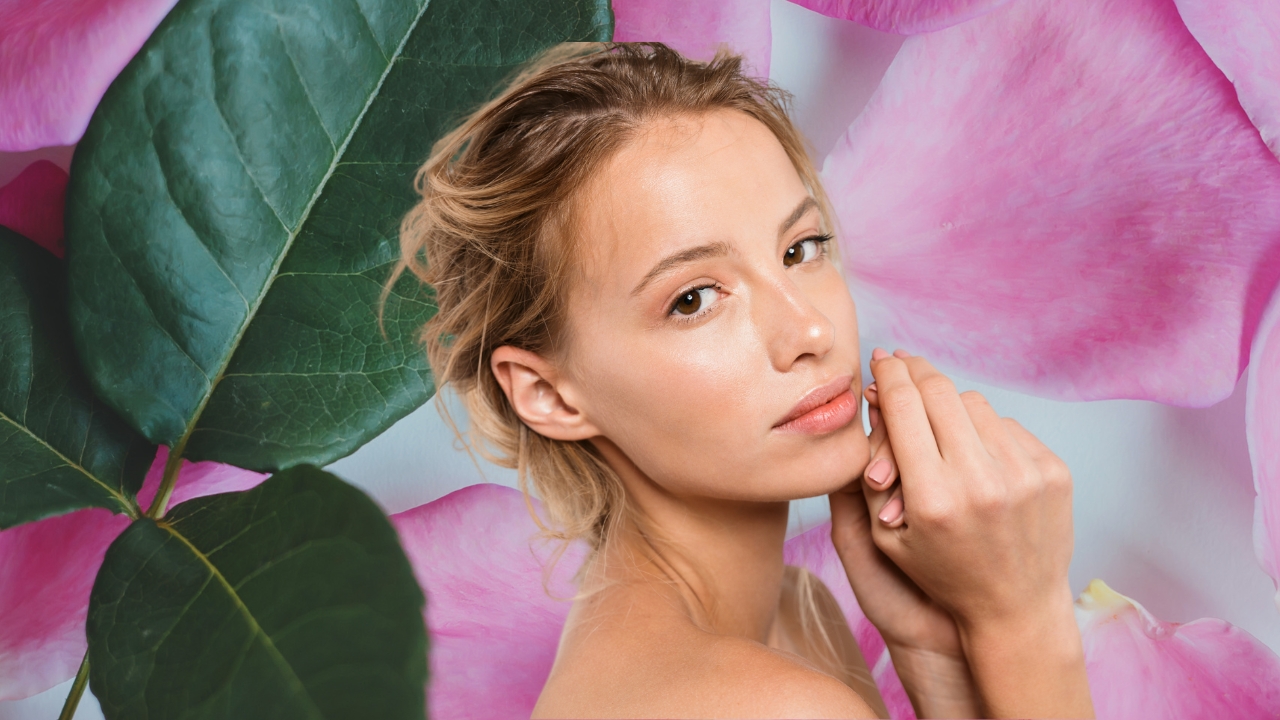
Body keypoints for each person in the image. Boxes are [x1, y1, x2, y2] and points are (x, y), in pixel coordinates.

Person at [392, 42, 1094, 718]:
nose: (810, 332)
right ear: (549, 395)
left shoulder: (795, 618)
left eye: (801, 249)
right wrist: (1023, 619)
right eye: (694, 299)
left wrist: (934, 653)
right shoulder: (765, 703)